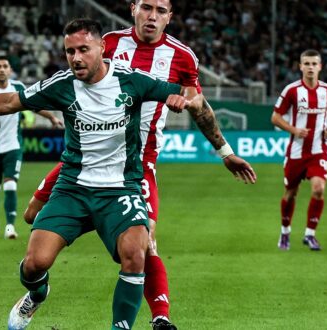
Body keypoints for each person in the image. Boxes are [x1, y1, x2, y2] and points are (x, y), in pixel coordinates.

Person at [0, 18, 238, 330]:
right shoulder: (62, 84)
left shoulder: (132, 80)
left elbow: (192, 99)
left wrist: (185, 105)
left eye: (83, 49)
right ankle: (37, 293)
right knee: (34, 263)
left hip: (120, 189)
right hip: (73, 187)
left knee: (137, 254)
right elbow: (10, 101)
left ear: (102, 48)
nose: (76, 58)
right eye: (70, 51)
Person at [24, 2, 258, 329]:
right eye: (146, 7)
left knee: (144, 243)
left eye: (161, 10)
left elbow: (196, 104)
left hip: (136, 164)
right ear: (133, 8)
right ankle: (38, 288)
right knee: (31, 215)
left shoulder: (182, 56)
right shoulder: (108, 42)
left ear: (170, 16)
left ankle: (160, 317)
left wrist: (224, 151)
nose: (152, 16)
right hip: (81, 160)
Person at [0, 55, 62, 239]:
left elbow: (35, 105)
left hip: (13, 147)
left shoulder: (19, 87)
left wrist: (51, 117)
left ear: (10, 70)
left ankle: (10, 227)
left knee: (11, 184)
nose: (2, 69)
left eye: (5, 66)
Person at [272, 49, 327, 251]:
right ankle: (285, 231)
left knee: (319, 189)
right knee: (290, 193)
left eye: (314, 64)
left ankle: (310, 234)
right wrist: (294, 129)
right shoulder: (292, 90)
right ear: (300, 67)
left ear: (320, 67)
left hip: (318, 151)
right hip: (296, 152)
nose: (310, 67)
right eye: (306, 63)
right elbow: (275, 117)